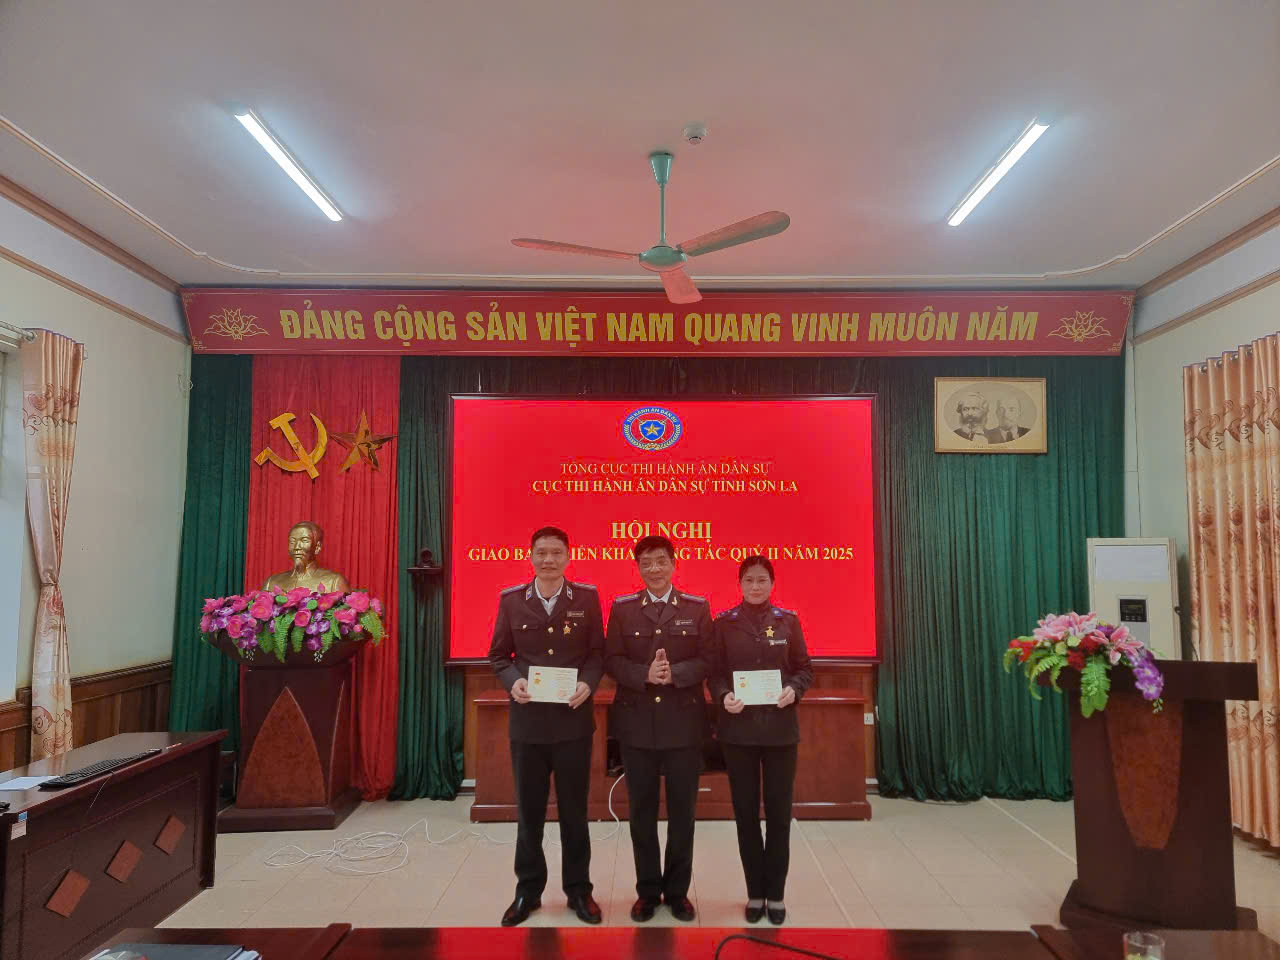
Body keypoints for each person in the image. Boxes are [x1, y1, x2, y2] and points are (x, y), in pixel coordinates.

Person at [488, 526, 604, 927]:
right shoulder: (512, 600)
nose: (549, 559)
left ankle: (579, 891)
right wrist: (513, 681)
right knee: (529, 813)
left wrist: (588, 683)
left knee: (575, 813)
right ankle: (528, 891)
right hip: (529, 725)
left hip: (573, 724)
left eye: (556, 552)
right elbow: (499, 656)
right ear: (531, 556)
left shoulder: (586, 598)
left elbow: (597, 653)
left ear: (568, 556)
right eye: (541, 552)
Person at [605, 535, 712, 923]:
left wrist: (676, 674)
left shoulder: (697, 607)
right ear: (638, 567)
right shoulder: (623, 608)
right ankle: (648, 892)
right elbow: (611, 660)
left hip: (684, 725)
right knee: (641, 813)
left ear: (673, 563)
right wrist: (644, 675)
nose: (654, 569)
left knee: (683, 814)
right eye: (646, 562)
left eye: (661, 561)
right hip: (637, 725)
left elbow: (710, 658)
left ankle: (678, 892)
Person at [709, 555, 813, 926]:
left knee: (780, 815)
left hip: (780, 732)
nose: (756, 586)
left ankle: (777, 894)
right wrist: (723, 696)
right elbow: (715, 673)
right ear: (740, 584)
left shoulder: (788, 621)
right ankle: (755, 892)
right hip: (738, 733)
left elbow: (804, 668)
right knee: (746, 815)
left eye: (762, 580)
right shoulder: (724, 623)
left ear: (772, 583)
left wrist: (793, 690)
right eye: (749, 580)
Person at [262, 521, 349, 593]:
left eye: (304, 540)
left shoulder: (334, 582)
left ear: (317, 547)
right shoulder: (271, 582)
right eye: (292, 542)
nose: (296, 547)